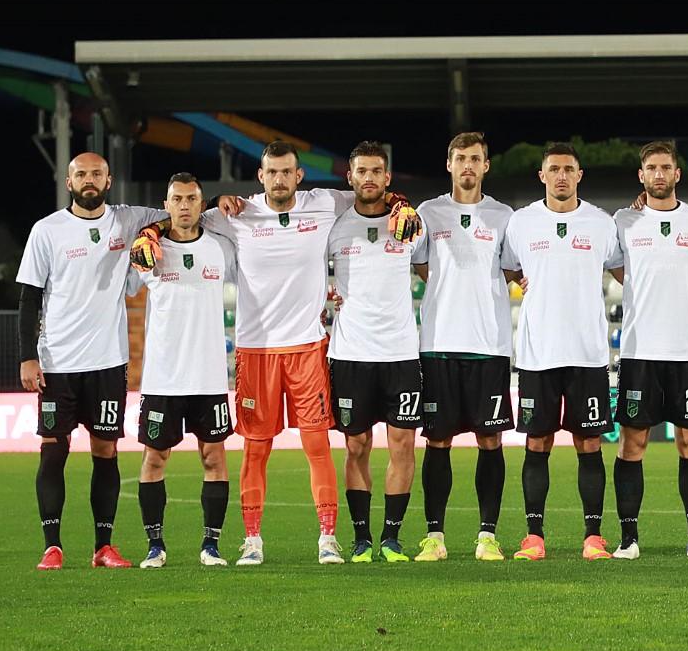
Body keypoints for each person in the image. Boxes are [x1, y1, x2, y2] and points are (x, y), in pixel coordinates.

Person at [134, 140, 417, 565]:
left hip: (307, 347)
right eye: (272, 172)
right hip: (256, 350)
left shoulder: (324, 203)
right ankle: (252, 540)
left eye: (288, 172)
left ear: (298, 176)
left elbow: (370, 192)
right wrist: (149, 232)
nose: (280, 179)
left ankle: (327, 538)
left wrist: (404, 203)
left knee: (317, 445)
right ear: (261, 176)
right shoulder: (236, 215)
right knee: (256, 449)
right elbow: (178, 217)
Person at [18, 151, 168, 569]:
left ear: (109, 180)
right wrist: (28, 358)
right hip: (57, 363)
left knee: (106, 450)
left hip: (107, 362)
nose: (89, 180)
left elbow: (175, 211)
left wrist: (154, 230)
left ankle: (104, 546)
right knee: (53, 449)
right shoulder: (47, 230)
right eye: (80, 174)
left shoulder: (126, 219)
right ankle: (53, 545)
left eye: (96, 174)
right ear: (69, 183)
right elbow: (29, 298)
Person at [500, 142, 621, 561]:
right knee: (538, 443)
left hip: (587, 353)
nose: (562, 176)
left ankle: (594, 537)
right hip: (538, 353)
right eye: (554, 169)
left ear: (580, 175)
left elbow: (625, 272)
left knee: (589, 444)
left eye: (569, 169)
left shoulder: (602, 224)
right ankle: (534, 537)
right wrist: (520, 280)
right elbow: (506, 267)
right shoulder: (521, 223)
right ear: (542, 176)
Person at [608, 140, 688, 559]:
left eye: (666, 167)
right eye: (651, 168)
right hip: (640, 353)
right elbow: (616, 269)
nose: (659, 174)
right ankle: (628, 539)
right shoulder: (623, 221)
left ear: (678, 174)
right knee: (631, 444)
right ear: (642, 176)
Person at [410, 132, 516, 562]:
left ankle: (486, 536)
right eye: (461, 158)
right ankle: (435, 537)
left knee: (490, 441)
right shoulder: (428, 212)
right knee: (437, 442)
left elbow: (512, 269)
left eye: (475, 158)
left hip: (489, 345)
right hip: (438, 344)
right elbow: (417, 262)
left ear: (486, 166)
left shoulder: (505, 215)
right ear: (449, 164)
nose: (468, 165)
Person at [135, 173, 238, 568]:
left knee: (214, 458)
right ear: (167, 204)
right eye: (176, 198)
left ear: (201, 204)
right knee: (155, 458)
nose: (183, 205)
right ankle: (155, 547)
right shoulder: (149, 252)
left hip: (210, 376)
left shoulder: (219, 249)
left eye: (191, 199)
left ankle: (211, 546)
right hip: (164, 377)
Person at [328, 142, 423, 564]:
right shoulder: (333, 227)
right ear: (350, 179)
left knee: (403, 444)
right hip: (350, 354)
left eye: (376, 171)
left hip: (401, 352)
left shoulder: (409, 225)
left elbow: (431, 271)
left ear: (388, 179)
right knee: (357, 446)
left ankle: (392, 537)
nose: (369, 177)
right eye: (361, 171)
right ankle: (362, 539)